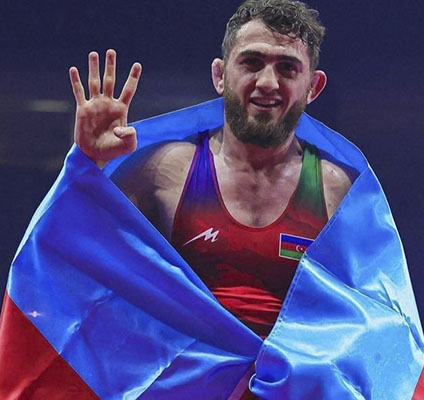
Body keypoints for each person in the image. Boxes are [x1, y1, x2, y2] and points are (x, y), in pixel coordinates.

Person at [69, 0, 355, 340]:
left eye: (287, 68)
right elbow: (77, 260)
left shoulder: (335, 189)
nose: (267, 82)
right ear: (220, 76)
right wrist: (88, 165)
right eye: (252, 62)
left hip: (297, 374)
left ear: (312, 88)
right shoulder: (163, 170)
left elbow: (368, 319)